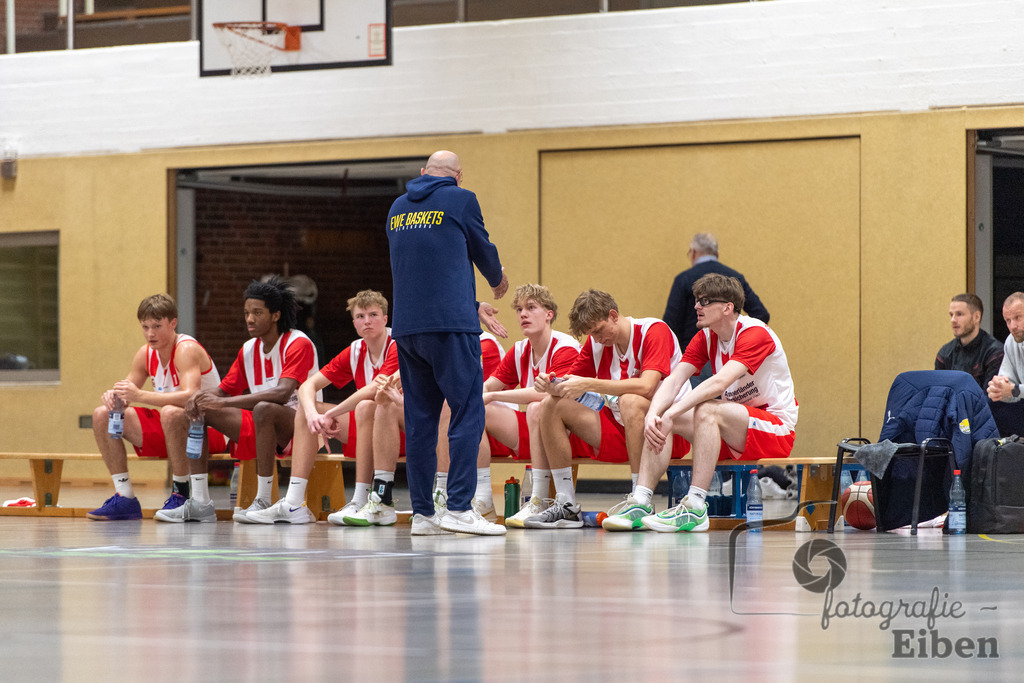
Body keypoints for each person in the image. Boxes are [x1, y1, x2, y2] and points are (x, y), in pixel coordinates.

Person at [603, 273, 797, 532]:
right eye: (696, 301)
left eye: (704, 301)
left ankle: (694, 507)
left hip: (775, 429)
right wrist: (656, 413)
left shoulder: (755, 333)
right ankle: (641, 501)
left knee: (706, 410)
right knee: (660, 416)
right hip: (734, 429)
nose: (696, 306)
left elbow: (718, 383)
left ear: (728, 307)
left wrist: (673, 410)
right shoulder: (706, 337)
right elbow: (673, 381)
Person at [386, 149, 509, 536]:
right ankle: (458, 506)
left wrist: (469, 302)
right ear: (457, 177)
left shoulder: (397, 208)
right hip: (451, 329)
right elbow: (482, 248)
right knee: (467, 411)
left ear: (424, 173)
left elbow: (423, 270)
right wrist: (497, 280)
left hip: (407, 329)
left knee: (420, 420)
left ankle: (422, 514)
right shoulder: (461, 198)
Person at [155, 276, 319, 523]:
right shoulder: (249, 349)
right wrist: (200, 399)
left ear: (275, 315)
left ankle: (263, 498)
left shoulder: (298, 343)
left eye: (257, 312)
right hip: (263, 427)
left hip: (301, 429)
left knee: (264, 408)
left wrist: (223, 403)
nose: (249, 319)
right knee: (198, 409)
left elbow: (283, 394)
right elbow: (223, 391)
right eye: (246, 313)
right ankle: (200, 502)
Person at [527, 289, 686, 529]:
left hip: (668, 431)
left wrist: (590, 383)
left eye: (599, 330)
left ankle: (639, 500)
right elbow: (569, 383)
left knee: (630, 400)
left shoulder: (654, 331)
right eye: (591, 334)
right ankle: (566, 504)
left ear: (613, 315)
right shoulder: (596, 344)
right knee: (549, 405)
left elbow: (646, 386)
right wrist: (549, 385)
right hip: (623, 429)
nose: (597, 338)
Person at [241, 290, 401, 524]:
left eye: (373, 314)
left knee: (367, 405)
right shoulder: (355, 350)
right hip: (367, 425)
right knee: (308, 409)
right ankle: (294, 503)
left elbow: (374, 392)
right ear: (354, 322)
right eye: (360, 316)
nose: (366, 321)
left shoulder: (397, 345)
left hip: (399, 427)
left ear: (386, 319)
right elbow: (308, 384)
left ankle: (360, 500)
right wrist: (315, 416)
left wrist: (333, 413)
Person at [86, 294, 226, 521]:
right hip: (172, 428)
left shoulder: (186, 349)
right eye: (145, 327)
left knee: (172, 412)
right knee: (103, 414)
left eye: (157, 326)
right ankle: (125, 497)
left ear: (173, 323)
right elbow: (128, 393)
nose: (151, 334)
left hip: (209, 430)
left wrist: (140, 395)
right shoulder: (145, 354)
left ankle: (181, 493)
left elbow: (193, 396)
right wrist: (114, 398)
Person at [663, 233, 769, 379]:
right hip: (734, 355)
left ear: (693, 252)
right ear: (717, 253)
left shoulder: (684, 279)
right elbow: (761, 313)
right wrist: (741, 340)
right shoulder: (734, 277)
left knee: (697, 399)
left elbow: (671, 323)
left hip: (695, 359)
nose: (698, 306)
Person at [935, 293, 1003, 390]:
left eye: (959, 314)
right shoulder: (945, 353)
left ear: (976, 317)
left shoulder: (995, 353)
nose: (953, 320)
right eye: (951, 315)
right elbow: (938, 391)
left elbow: (989, 398)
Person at [987, 293, 1024, 429]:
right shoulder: (1011, 341)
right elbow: (1009, 386)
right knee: (989, 402)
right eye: (1008, 320)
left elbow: (1014, 391)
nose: (1012, 326)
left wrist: (1013, 390)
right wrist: (998, 389)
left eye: (1018, 318)